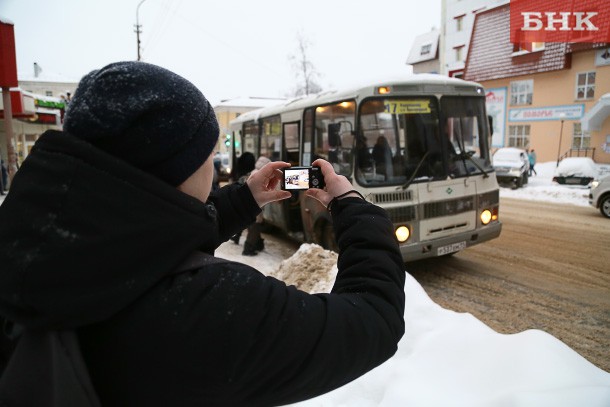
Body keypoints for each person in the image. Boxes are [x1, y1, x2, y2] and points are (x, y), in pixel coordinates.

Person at [0, 61, 405, 406]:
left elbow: (141, 242)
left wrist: (245, 199)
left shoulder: (33, 241)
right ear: (176, 167)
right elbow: (374, 318)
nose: (214, 167)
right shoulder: (211, 310)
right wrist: (351, 205)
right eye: (209, 154)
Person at [242, 155, 271, 256]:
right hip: (255, 205)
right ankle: (248, 248)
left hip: (249, 204)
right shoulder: (260, 175)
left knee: (254, 226)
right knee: (255, 226)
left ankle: (258, 244)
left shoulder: (253, 172)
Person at [229, 151, 256, 245]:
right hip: (249, 202)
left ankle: (238, 236)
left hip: (239, 199)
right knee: (251, 222)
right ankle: (249, 245)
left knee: (243, 218)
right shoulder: (251, 175)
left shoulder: (238, 171)